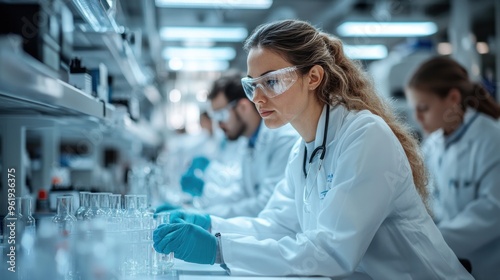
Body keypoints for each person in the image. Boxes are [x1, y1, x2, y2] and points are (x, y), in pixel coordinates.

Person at [152, 20, 472, 279]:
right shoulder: (303, 151)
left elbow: (332, 253)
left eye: (272, 82)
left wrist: (219, 250)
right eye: (252, 86)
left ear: (313, 77)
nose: (258, 98)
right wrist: (209, 224)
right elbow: (276, 225)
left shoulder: (363, 136)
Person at [405, 56, 500, 280]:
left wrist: (431, 241)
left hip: (487, 267)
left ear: (453, 98)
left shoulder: (492, 139)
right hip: (449, 265)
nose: (418, 118)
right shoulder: (433, 145)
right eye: (414, 110)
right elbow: (424, 198)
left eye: (424, 108)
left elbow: (493, 210)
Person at [158, 72, 299, 218]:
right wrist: (196, 207)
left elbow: (265, 204)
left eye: (221, 115)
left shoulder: (283, 138)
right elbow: (241, 192)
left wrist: (206, 217)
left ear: (243, 107)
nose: (219, 125)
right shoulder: (247, 141)